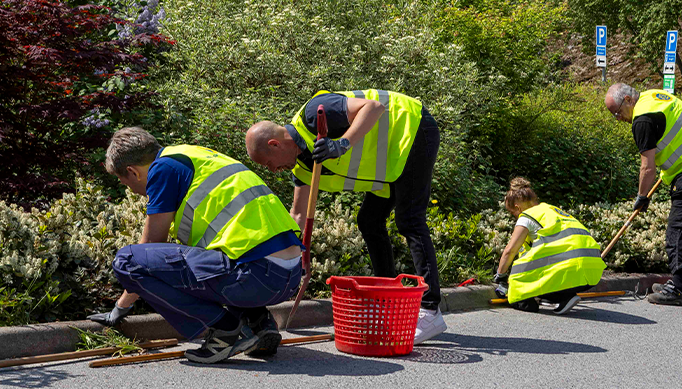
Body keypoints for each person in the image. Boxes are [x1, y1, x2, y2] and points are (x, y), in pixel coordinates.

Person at [245, 89, 446, 344]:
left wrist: (341, 144)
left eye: (268, 164)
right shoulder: (303, 166)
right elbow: (297, 214)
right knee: (369, 221)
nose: (273, 171)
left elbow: (373, 107)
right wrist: (291, 259)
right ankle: (386, 302)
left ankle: (430, 310)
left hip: (412, 127)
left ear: (274, 144)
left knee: (409, 220)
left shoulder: (314, 114)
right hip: (390, 159)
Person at [90, 127, 303, 363]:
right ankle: (258, 324)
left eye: (125, 182)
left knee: (127, 261)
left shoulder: (163, 170)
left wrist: (120, 309)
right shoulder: (193, 155)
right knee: (208, 260)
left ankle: (224, 330)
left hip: (257, 278)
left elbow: (149, 248)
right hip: (289, 277)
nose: (130, 190)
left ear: (132, 171)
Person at [604, 83, 682, 306]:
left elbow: (647, 167)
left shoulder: (642, 119)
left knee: (678, 229)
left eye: (617, 112)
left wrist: (642, 196)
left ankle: (677, 289)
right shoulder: (654, 97)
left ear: (628, 100)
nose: (618, 118)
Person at [493, 178, 607, 314]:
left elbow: (510, 251)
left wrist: (500, 275)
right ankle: (562, 296)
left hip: (570, 270)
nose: (515, 217)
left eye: (513, 213)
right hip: (592, 273)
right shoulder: (553, 210)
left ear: (518, 207)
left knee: (517, 283)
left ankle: (541, 300)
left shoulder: (527, 217)